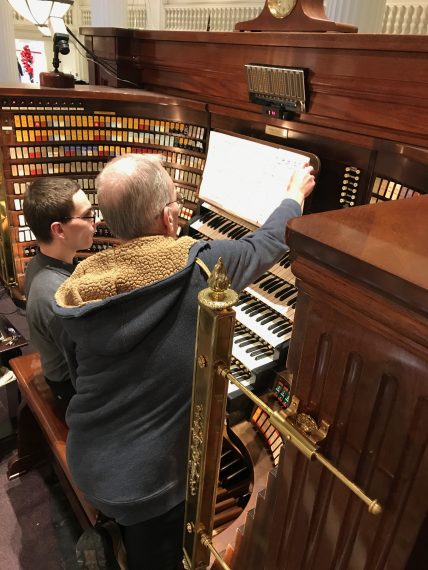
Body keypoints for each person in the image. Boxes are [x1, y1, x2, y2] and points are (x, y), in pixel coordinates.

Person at [54, 154, 315, 570]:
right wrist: (292, 196)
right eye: (175, 204)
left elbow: (76, 370)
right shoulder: (200, 264)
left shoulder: (82, 285)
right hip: (148, 483)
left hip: (88, 455)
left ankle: (112, 535)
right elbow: (266, 243)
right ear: (169, 217)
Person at [23, 177, 96, 409]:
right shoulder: (54, 293)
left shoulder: (41, 263)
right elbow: (85, 365)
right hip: (70, 390)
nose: (95, 223)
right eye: (87, 216)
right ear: (59, 229)